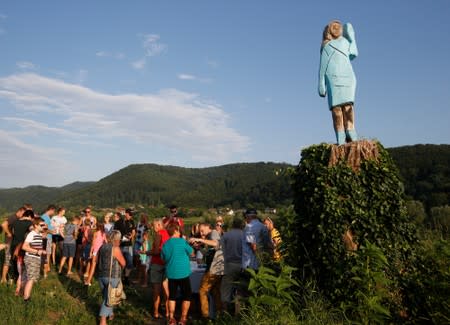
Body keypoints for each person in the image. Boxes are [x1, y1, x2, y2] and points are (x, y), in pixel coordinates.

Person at [318, 20, 359, 145]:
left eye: (339, 27)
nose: (337, 29)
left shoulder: (346, 42)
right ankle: (340, 133)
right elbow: (323, 66)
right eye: (334, 27)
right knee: (336, 109)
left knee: (348, 106)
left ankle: (350, 129)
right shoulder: (327, 46)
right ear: (329, 29)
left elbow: (354, 53)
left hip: (347, 76)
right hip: (332, 78)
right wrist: (321, 83)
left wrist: (351, 36)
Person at [189, 223, 224, 319]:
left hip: (214, 268)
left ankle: (206, 316)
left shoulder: (213, 233)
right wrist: (199, 247)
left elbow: (216, 243)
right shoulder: (209, 237)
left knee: (202, 291)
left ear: (208, 227)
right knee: (215, 291)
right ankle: (219, 314)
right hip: (218, 268)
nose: (201, 233)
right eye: (199, 231)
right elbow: (209, 252)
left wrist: (200, 239)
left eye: (202, 230)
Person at [161, 223, 194, 325]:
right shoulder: (182, 242)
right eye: (178, 230)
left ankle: (172, 318)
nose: (180, 231)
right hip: (183, 273)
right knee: (187, 295)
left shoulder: (165, 244)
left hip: (171, 273)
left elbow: (163, 259)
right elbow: (192, 252)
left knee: (172, 296)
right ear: (175, 231)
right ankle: (183, 318)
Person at [97, 230, 126, 325]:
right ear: (117, 239)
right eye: (119, 239)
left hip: (101, 276)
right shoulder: (115, 248)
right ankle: (103, 320)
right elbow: (123, 263)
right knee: (108, 300)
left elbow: (98, 260)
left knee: (107, 296)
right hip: (112, 277)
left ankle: (110, 313)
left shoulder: (102, 247)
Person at [220, 218, 243, 314]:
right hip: (242, 265)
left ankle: (225, 313)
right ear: (241, 225)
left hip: (229, 265)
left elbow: (221, 250)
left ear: (232, 225)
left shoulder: (226, 235)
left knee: (226, 290)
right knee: (240, 290)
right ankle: (238, 314)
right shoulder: (245, 235)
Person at [149, 218, 170, 319]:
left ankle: (156, 312)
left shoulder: (159, 234)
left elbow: (157, 252)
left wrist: (146, 252)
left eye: (154, 225)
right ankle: (167, 312)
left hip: (157, 263)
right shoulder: (168, 234)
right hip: (166, 264)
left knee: (156, 290)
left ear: (158, 225)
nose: (153, 228)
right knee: (166, 289)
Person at [21, 218, 46, 302]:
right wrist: (37, 251)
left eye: (44, 225)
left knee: (28, 277)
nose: (43, 226)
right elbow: (24, 247)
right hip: (31, 258)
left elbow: (36, 246)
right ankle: (26, 298)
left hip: (35, 258)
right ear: (36, 225)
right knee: (31, 278)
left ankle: (22, 293)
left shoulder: (38, 234)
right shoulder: (32, 234)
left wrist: (42, 251)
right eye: (41, 225)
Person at [10, 209, 34, 296]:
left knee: (15, 264)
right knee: (23, 267)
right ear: (30, 216)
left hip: (13, 244)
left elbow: (12, 232)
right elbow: (32, 231)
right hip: (22, 246)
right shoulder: (29, 223)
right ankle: (22, 287)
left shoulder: (15, 222)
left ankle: (13, 279)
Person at [1, 206, 26, 283]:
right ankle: (3, 278)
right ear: (20, 211)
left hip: (12, 242)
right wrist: (8, 233)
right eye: (23, 214)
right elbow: (3, 224)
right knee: (8, 260)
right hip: (9, 242)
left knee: (11, 260)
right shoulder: (13, 217)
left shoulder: (16, 218)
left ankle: (10, 277)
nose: (23, 216)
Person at [113, 208, 135, 285]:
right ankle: (118, 277)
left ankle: (126, 278)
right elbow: (115, 233)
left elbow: (133, 232)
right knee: (119, 262)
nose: (131, 216)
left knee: (130, 263)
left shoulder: (132, 221)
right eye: (130, 214)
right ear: (125, 213)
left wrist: (131, 236)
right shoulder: (118, 222)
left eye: (132, 215)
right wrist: (121, 238)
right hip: (120, 245)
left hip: (129, 245)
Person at [40, 205, 56, 275]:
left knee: (48, 252)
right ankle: (46, 267)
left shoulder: (46, 217)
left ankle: (47, 266)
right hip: (47, 237)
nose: (53, 213)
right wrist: (52, 231)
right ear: (51, 210)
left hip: (48, 236)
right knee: (47, 253)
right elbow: (44, 228)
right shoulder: (45, 217)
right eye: (54, 211)